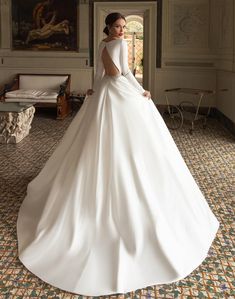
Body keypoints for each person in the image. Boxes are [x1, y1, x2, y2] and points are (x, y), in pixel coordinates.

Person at [17, 12, 219, 296]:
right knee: (128, 141)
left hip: (103, 95)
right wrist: (142, 90)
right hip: (118, 94)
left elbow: (100, 75)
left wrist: (94, 89)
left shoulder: (102, 44)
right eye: (118, 26)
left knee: (97, 140)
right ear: (109, 26)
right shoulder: (119, 45)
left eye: (124, 26)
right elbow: (124, 73)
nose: (122, 30)